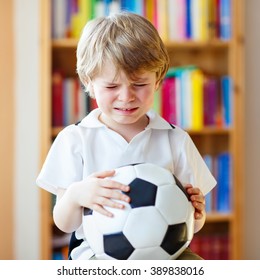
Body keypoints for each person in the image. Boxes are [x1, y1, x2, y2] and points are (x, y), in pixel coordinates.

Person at [36, 11, 216, 260]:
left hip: (164, 255)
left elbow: (192, 226)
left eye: (139, 84)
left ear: (157, 80)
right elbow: (63, 224)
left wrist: (197, 213)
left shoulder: (176, 140)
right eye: (111, 86)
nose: (126, 96)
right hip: (95, 256)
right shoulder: (75, 139)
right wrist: (78, 195)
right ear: (89, 82)